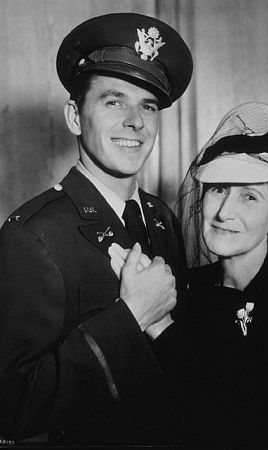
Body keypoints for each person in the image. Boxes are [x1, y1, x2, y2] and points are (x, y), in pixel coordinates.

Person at [0, 12, 192, 444]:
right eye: (114, 101)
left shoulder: (162, 218)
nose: (135, 121)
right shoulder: (34, 235)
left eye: (148, 105)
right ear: (74, 116)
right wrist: (131, 317)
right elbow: (10, 406)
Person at [111, 102, 268, 446]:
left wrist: (160, 327)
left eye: (249, 197)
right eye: (218, 189)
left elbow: (255, 419)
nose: (225, 212)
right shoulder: (187, 290)